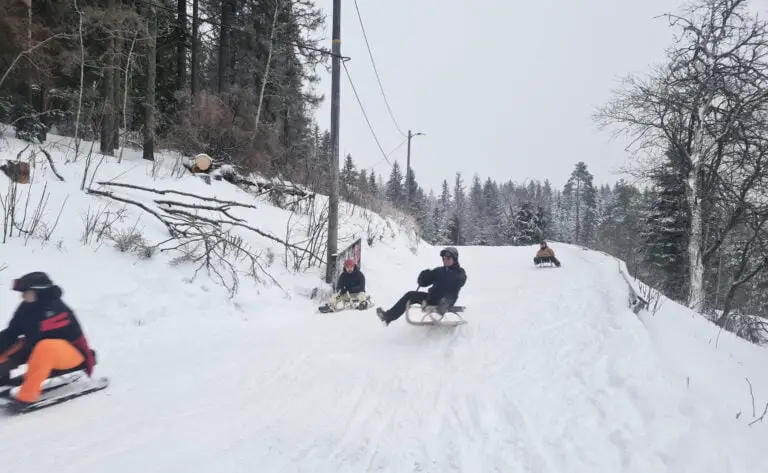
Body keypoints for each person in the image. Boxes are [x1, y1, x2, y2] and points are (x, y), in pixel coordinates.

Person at [0, 272, 95, 407]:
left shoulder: (57, 309)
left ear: (39, 292)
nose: (22, 296)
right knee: (14, 344)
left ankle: (27, 396)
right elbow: (12, 333)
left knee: (46, 346)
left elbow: (77, 339)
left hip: (73, 356)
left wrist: (15, 359)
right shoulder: (26, 307)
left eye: (26, 292)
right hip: (41, 350)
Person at [376, 246, 467, 326]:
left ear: (454, 259)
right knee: (410, 295)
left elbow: (461, 280)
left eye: (448, 258)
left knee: (445, 300)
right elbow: (424, 283)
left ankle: (442, 306)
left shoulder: (459, 272)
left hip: (447, 298)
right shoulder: (439, 271)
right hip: (432, 298)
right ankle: (388, 317)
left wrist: (451, 275)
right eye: (444, 258)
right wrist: (424, 276)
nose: (445, 260)